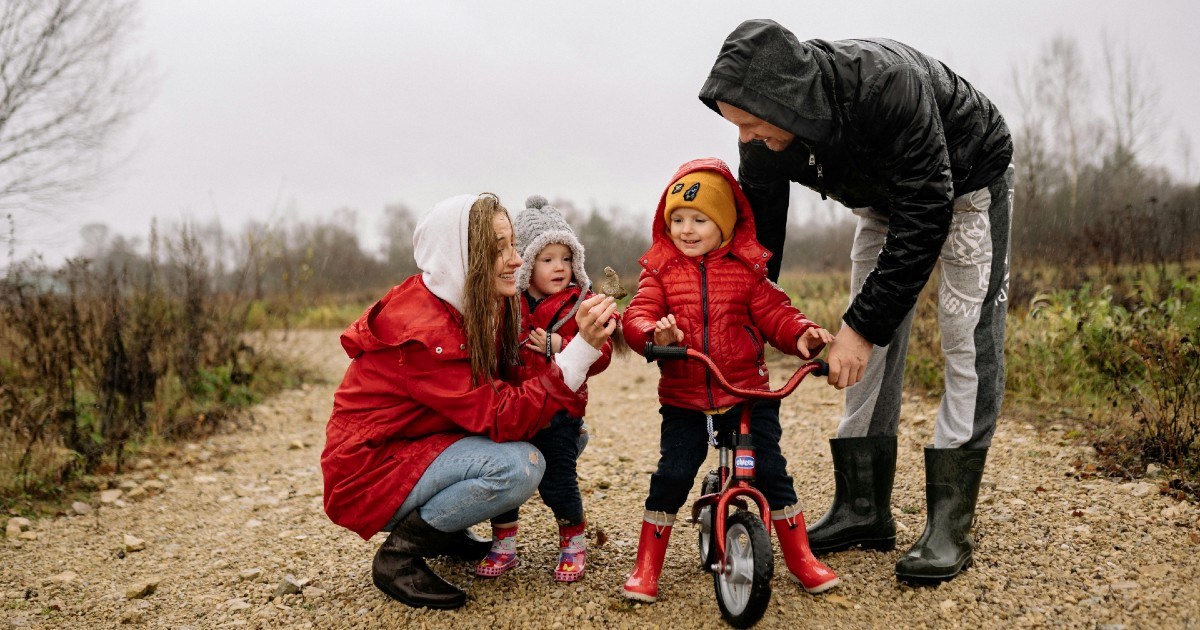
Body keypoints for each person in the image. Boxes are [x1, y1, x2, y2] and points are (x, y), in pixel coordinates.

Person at [698, 19, 1015, 583]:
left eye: (749, 124)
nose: (742, 138)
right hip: (883, 200)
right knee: (856, 352)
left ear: (786, 100)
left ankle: (949, 523)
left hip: (965, 181)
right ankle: (863, 509)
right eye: (734, 126)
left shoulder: (885, 86)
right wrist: (745, 319)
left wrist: (863, 327)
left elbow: (927, 211)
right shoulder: (763, 136)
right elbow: (760, 248)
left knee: (962, 338)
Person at [320, 193, 618, 609]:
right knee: (521, 465)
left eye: (513, 244)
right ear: (463, 255)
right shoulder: (426, 333)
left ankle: (448, 530)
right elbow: (502, 415)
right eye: (500, 249)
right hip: (371, 474)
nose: (517, 260)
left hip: (419, 445)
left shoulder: (472, 302)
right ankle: (399, 557)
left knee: (567, 436)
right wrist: (579, 350)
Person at [620, 158, 839, 603]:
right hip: (685, 396)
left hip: (746, 394)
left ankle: (801, 558)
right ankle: (647, 565)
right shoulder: (660, 273)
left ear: (725, 224)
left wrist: (802, 334)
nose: (686, 228)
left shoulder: (747, 270)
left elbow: (777, 312)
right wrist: (652, 333)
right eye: (677, 219)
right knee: (674, 473)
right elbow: (636, 315)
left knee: (770, 471)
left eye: (699, 219)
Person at [474, 195, 617, 583]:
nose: (559, 267)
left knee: (558, 480)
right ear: (527, 264)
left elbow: (600, 357)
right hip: (515, 406)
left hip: (560, 413)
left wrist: (561, 346)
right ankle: (503, 543)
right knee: (504, 487)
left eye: (566, 259)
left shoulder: (579, 304)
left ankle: (573, 540)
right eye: (547, 259)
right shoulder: (510, 305)